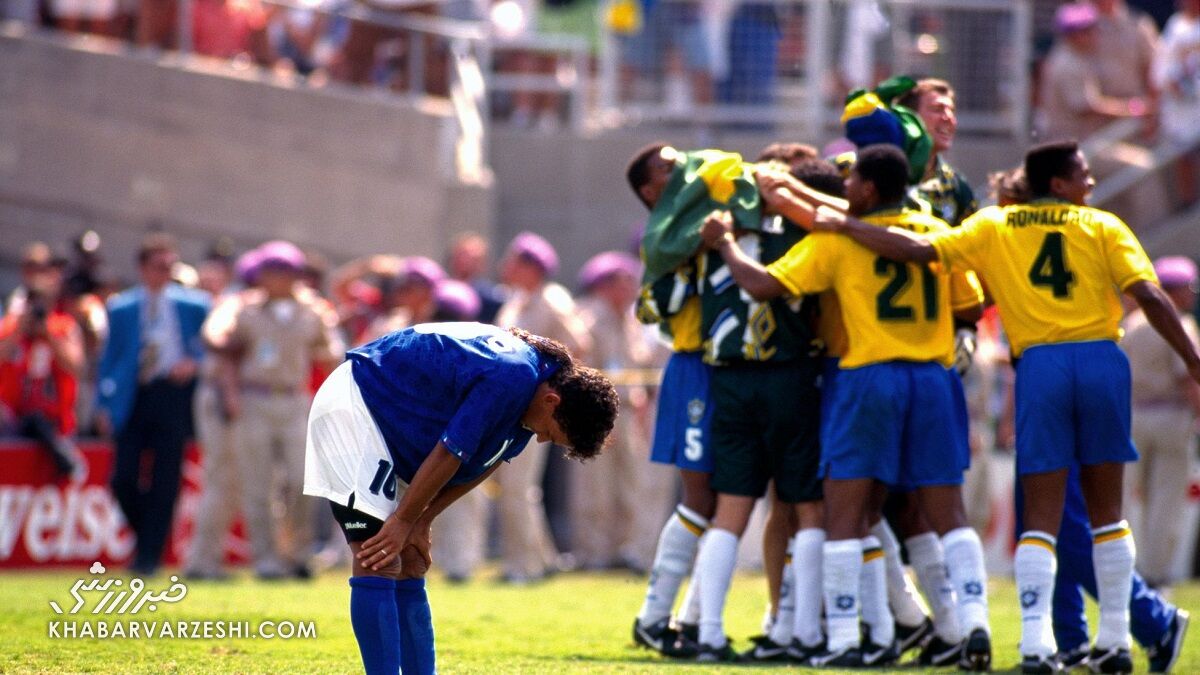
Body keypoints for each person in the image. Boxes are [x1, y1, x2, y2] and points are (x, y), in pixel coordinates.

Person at [812, 140, 1200, 673]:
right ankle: (1114, 642)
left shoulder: (995, 224)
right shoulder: (1102, 226)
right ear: (1059, 184)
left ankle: (1037, 646)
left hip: (1041, 366)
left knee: (1038, 516)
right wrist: (1194, 360)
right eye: (1082, 173)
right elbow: (1151, 296)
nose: (1090, 182)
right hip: (1100, 361)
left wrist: (847, 227)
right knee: (1108, 513)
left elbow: (918, 251)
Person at [702, 144, 992, 669]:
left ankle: (841, 641)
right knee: (945, 511)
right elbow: (970, 301)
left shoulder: (836, 240)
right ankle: (970, 623)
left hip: (866, 375)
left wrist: (725, 246)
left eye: (853, 179)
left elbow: (762, 285)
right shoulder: (932, 230)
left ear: (870, 189)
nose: (846, 187)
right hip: (932, 376)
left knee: (844, 511)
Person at [303, 322, 618, 674]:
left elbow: (488, 459)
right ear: (552, 401)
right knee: (378, 557)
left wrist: (421, 520)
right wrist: (405, 520)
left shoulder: (537, 382)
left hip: (391, 422)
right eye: (549, 432)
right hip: (356, 405)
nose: (542, 440)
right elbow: (450, 453)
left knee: (411, 560)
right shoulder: (512, 376)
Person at [625, 145, 715, 659]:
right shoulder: (663, 235)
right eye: (666, 165)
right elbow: (654, 305)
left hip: (727, 369)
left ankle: (693, 617)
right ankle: (658, 614)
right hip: (697, 367)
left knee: (729, 500)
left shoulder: (696, 216)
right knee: (702, 498)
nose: (679, 164)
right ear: (650, 191)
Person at [208, 241, 344, 579]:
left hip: (295, 398)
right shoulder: (245, 309)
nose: (277, 278)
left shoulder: (313, 310)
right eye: (271, 271)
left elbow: (329, 354)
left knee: (303, 481)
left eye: (284, 271)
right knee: (258, 484)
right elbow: (224, 350)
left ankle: (298, 553)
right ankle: (266, 559)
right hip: (254, 396)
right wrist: (230, 393)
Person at [97, 232, 209, 575]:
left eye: (169, 266)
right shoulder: (122, 307)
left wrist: (194, 363)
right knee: (123, 478)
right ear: (143, 268)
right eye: (158, 266)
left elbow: (210, 346)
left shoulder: (195, 304)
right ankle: (147, 540)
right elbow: (110, 358)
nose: (164, 272)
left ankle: (148, 557)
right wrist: (104, 402)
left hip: (173, 396)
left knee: (166, 477)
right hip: (135, 395)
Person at [493, 232, 592, 583]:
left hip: (536, 405)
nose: (506, 266)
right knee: (517, 486)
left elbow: (578, 344)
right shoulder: (516, 301)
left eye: (513, 260)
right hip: (512, 403)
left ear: (531, 266)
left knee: (519, 487)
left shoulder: (552, 299)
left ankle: (524, 567)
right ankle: (541, 559)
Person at [572, 251, 668, 572]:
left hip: (627, 412)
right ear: (606, 285)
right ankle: (593, 553)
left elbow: (638, 366)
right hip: (596, 413)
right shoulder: (590, 318)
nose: (631, 290)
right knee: (594, 488)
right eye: (625, 283)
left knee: (630, 486)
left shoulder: (629, 320)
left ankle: (622, 551)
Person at [1122, 256, 1200, 589]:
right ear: (1178, 290)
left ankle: (1126, 569)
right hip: (1170, 416)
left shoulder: (1131, 323)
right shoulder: (1179, 323)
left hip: (1132, 415)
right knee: (1165, 500)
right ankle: (1154, 575)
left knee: (1126, 498)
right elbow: (1188, 379)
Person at [1038, 3, 1151, 141]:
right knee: (1142, 162)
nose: (1095, 34)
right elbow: (1089, 108)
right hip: (1072, 145)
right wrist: (1134, 109)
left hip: (1083, 141)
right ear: (1074, 35)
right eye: (1087, 30)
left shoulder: (1077, 57)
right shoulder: (1069, 64)